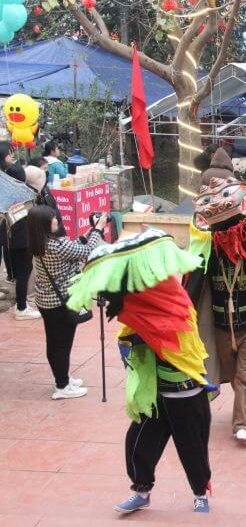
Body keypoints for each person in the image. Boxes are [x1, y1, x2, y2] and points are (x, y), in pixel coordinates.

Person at [65, 228, 213, 514]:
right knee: (138, 442)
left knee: (192, 446)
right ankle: (141, 490)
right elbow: (131, 324)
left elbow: (164, 329)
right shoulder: (138, 300)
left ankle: (200, 494)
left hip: (183, 388)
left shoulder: (169, 297)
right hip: (154, 390)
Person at [186, 170, 246, 444]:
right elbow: (194, 263)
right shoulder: (212, 254)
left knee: (242, 376)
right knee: (232, 375)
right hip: (221, 327)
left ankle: (240, 424)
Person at [28, 204, 105, 398]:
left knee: (54, 342)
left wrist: (88, 233)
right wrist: (98, 229)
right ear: (44, 224)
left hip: (45, 300)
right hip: (60, 302)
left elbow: (74, 248)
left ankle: (62, 378)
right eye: (53, 218)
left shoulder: (39, 241)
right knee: (62, 344)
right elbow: (86, 251)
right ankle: (62, 387)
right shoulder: (56, 244)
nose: (56, 220)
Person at [1, 142, 38, 319]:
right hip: (18, 236)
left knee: (20, 270)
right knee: (24, 270)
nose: (12, 157)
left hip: (9, 236)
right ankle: (22, 308)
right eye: (9, 154)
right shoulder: (18, 192)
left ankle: (21, 304)